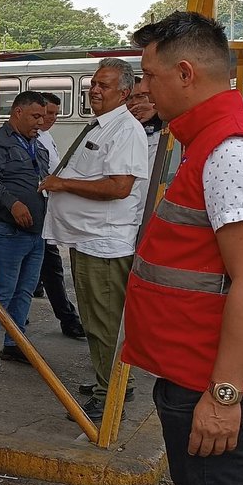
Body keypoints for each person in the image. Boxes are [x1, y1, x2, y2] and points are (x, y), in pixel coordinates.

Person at [123, 11, 243, 485]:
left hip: (218, 388)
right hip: (197, 376)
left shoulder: (230, 151)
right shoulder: (210, 141)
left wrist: (224, 398)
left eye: (150, 76)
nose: (143, 90)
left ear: (185, 74)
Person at [41, 58, 149, 422]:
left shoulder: (125, 129)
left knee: (104, 323)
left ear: (125, 92)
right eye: (94, 84)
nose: (95, 91)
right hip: (87, 240)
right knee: (95, 320)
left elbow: (120, 187)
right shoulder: (103, 126)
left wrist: (62, 184)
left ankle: (110, 393)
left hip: (105, 243)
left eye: (104, 85)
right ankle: (110, 381)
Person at [0, 91, 49, 373]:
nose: (41, 122)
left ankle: (15, 345)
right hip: (4, 228)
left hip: (35, 231)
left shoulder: (37, 146)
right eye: (35, 116)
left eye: (43, 116)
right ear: (18, 113)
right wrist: (12, 203)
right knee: (3, 290)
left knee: (25, 291)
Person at [33, 92, 85, 340]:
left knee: (45, 265)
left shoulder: (46, 137)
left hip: (48, 208)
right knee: (51, 266)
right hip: (37, 210)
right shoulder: (31, 139)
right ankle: (68, 318)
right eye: (46, 114)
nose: (50, 119)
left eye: (54, 114)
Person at [127, 83, 165, 169]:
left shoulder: (166, 124)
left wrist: (157, 111)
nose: (134, 102)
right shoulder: (123, 128)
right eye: (129, 98)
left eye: (140, 96)